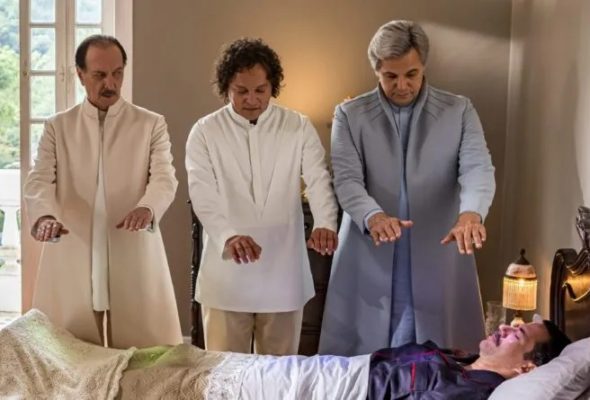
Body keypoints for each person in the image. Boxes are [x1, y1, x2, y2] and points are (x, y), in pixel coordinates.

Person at [319, 19, 496, 356]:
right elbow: (347, 179)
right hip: (368, 250)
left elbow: (477, 167)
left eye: (411, 74)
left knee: (442, 360)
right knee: (361, 363)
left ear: (423, 66)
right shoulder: (350, 115)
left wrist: (471, 215)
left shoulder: (458, 110)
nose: (402, 85)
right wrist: (373, 217)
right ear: (377, 71)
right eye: (391, 76)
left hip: (437, 249)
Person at [23, 35, 182, 348]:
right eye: (99, 75)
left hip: (131, 243)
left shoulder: (151, 124)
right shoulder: (58, 126)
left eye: (117, 73)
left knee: (143, 353)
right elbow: (39, 179)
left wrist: (147, 207)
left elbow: (165, 178)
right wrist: (43, 216)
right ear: (80, 74)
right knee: (73, 352)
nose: (111, 83)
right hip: (75, 244)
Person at [186, 38, 338, 355]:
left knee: (279, 373)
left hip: (283, 272)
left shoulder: (297, 126)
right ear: (226, 87)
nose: (252, 99)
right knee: (227, 372)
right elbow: (202, 192)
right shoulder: (205, 131)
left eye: (261, 90)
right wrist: (228, 236)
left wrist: (325, 222)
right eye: (241, 91)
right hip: (226, 277)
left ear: (273, 86)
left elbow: (318, 178)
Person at [368, 318, 571, 399]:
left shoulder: (471, 392)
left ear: (526, 368)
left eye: (517, 334)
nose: (503, 327)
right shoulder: (462, 360)